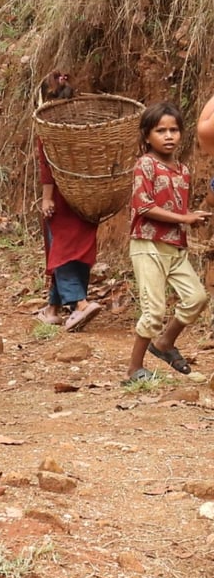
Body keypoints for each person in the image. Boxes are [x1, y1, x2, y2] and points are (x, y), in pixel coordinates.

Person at [124, 101, 210, 383]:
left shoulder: (183, 171)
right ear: (147, 136)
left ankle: (164, 343)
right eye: (161, 130)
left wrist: (191, 217)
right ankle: (134, 369)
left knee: (196, 298)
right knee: (154, 311)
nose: (169, 135)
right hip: (147, 246)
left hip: (174, 248)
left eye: (174, 130)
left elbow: (176, 210)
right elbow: (144, 206)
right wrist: (185, 219)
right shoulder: (145, 165)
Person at [34, 72, 101, 331]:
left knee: (61, 253)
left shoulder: (49, 128)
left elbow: (46, 167)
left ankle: (80, 305)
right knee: (78, 252)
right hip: (88, 198)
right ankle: (53, 309)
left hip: (63, 200)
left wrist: (47, 198)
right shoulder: (86, 126)